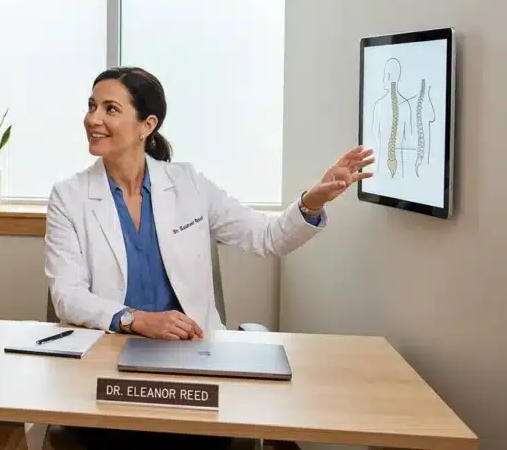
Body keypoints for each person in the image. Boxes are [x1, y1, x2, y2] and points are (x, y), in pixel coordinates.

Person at [42, 67, 373, 448]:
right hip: (107, 362)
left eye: (110, 109)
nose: (93, 119)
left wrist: (312, 201)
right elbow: (66, 296)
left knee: (195, 436)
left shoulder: (189, 184)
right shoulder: (69, 196)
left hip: (191, 361)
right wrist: (136, 320)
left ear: (146, 125)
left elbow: (266, 237)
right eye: (91, 106)